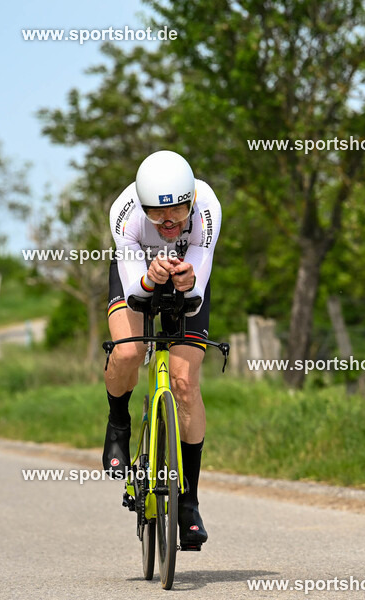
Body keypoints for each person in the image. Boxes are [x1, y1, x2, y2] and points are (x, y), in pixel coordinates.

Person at [103, 150, 221, 547]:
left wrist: (187, 282)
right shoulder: (125, 212)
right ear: (142, 206)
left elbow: (200, 275)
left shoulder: (207, 206)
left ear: (191, 199)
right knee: (128, 352)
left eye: (177, 212)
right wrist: (151, 280)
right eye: (157, 214)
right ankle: (119, 423)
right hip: (137, 271)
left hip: (188, 273)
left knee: (185, 382)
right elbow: (136, 289)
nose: (168, 223)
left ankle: (188, 502)